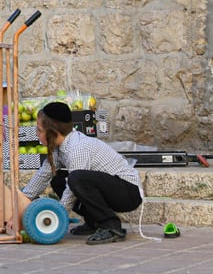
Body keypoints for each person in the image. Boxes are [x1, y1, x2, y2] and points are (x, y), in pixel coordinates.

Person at [21, 101, 143, 245]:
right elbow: (43, 175)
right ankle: (94, 222)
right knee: (58, 179)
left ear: (52, 133)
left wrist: (57, 218)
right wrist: (23, 199)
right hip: (110, 186)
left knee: (76, 179)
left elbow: (72, 190)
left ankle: (111, 226)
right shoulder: (58, 148)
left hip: (128, 191)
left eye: (39, 130)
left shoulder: (77, 148)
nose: (36, 133)